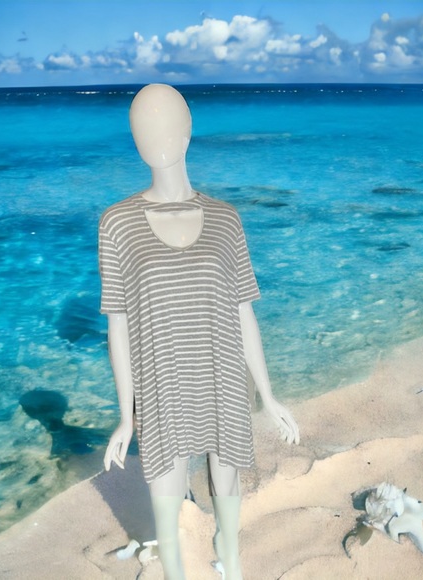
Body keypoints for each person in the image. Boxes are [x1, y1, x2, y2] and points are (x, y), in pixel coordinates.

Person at [98, 83, 299, 580]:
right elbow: (117, 325)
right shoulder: (117, 223)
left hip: (224, 378)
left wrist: (268, 395)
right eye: (143, 126)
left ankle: (230, 557)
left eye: (166, 122)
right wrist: (126, 416)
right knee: (165, 500)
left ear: (188, 131)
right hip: (161, 384)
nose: (156, 135)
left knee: (225, 485)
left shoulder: (226, 219)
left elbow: (243, 313)